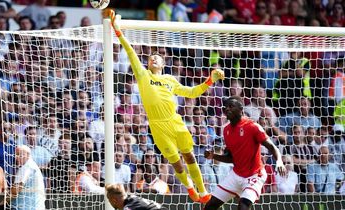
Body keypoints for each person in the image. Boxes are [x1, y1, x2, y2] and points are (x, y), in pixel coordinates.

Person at [109, 10, 224, 203]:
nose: (154, 58)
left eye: (158, 57)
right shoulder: (144, 75)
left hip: (175, 121)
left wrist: (209, 81)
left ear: (164, 62)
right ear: (147, 63)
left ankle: (203, 192)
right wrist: (118, 31)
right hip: (158, 125)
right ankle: (190, 188)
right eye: (151, 57)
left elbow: (191, 92)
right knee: (177, 165)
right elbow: (130, 52)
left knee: (189, 157)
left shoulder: (170, 79)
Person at [204, 96, 286, 210]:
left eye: (231, 106)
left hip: (255, 174)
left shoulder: (253, 126)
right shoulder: (226, 130)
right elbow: (232, 158)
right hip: (236, 174)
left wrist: (280, 161)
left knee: (243, 206)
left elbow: (272, 146)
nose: (227, 109)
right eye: (225, 107)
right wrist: (214, 156)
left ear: (241, 109)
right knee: (210, 205)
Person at [9, 145, 46, 210]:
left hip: (27, 207)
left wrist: (0, 204)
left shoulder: (27, 167)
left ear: (28, 155)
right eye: (16, 155)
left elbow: (15, 191)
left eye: (20, 155)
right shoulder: (32, 165)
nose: (16, 157)